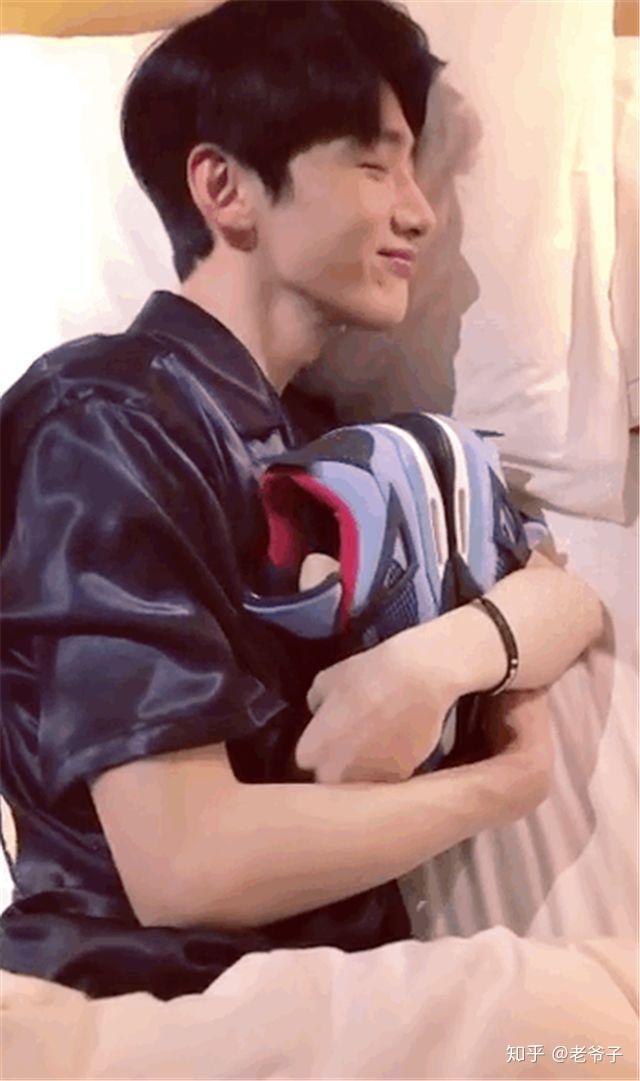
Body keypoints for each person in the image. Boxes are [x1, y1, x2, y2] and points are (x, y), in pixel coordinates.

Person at [0, 0, 604, 1002]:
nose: (421, 212)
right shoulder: (101, 419)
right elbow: (186, 864)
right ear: (225, 188)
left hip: (329, 993)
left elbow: (560, 596)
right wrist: (504, 784)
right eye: (374, 165)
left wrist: (436, 661)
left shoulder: (334, 438)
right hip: (140, 1001)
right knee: (583, 1030)